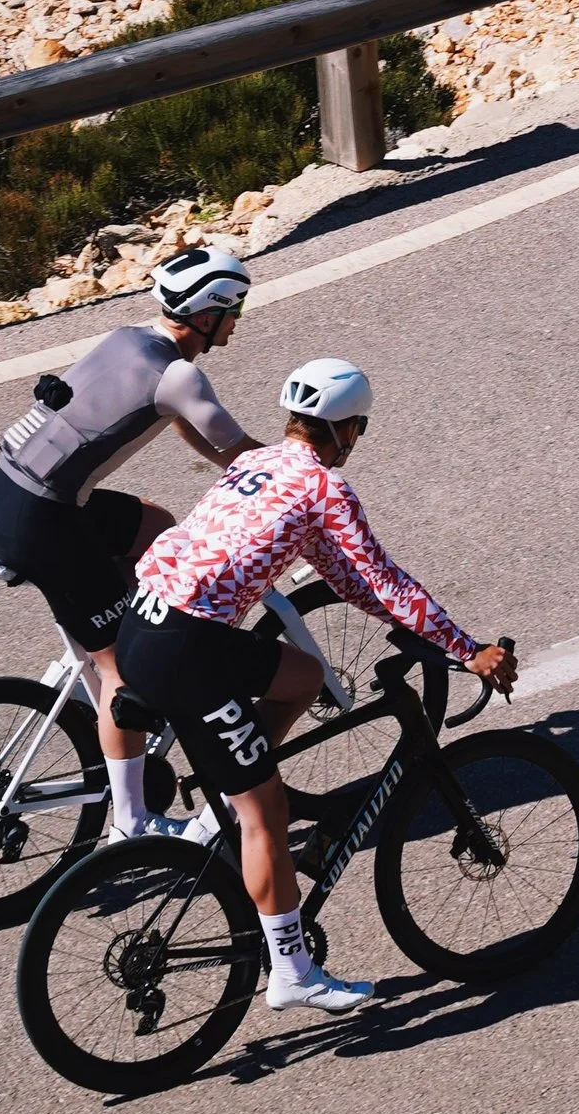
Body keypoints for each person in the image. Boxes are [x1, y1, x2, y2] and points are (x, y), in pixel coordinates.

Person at [117, 355, 515, 1018]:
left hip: (144, 619)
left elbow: (348, 577)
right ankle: (293, 971)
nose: (356, 441)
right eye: (358, 429)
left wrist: (406, 619)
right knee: (265, 813)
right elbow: (383, 580)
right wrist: (466, 648)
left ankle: (227, 796)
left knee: (301, 677)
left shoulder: (257, 463)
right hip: (187, 646)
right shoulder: (325, 489)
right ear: (345, 428)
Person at [0, 245, 256, 838]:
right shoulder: (180, 374)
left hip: (12, 495)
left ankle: (132, 640)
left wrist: (229, 471)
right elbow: (245, 454)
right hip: (44, 520)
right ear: (207, 314)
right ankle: (130, 822)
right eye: (235, 308)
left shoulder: (131, 337)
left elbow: (185, 423)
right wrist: (298, 487)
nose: (238, 320)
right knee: (121, 671)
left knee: (158, 527)